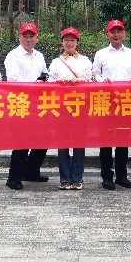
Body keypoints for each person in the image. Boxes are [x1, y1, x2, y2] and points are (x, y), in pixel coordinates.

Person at [92, 19, 131, 190]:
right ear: (107, 34)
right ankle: (106, 176)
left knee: (123, 140)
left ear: (124, 33)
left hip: (126, 102)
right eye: (113, 31)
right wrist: (101, 80)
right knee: (105, 141)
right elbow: (95, 75)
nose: (116, 35)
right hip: (105, 101)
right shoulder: (101, 54)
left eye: (119, 31)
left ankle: (121, 175)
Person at [4, 22, 49, 190]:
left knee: (43, 140)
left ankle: (31, 171)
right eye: (25, 36)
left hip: (38, 104)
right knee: (22, 141)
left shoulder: (39, 56)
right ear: (19, 37)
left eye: (31, 36)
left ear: (37, 38)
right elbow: (14, 80)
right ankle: (13, 178)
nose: (28, 39)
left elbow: (45, 74)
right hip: (20, 102)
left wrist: (44, 81)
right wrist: (35, 84)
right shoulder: (13, 56)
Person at [48, 27, 93, 190]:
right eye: (66, 40)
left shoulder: (85, 61)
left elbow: (92, 80)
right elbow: (49, 82)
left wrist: (80, 81)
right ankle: (65, 178)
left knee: (79, 143)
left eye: (72, 40)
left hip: (80, 106)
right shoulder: (56, 62)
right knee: (63, 143)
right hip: (61, 107)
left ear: (77, 42)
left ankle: (77, 177)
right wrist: (59, 81)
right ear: (62, 42)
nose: (69, 43)